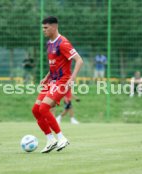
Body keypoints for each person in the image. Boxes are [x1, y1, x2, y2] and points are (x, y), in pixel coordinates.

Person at [31, 16, 83, 153]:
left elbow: (79, 60)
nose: (43, 30)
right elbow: (54, 65)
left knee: (43, 108)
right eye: (42, 28)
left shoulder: (63, 43)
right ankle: (50, 140)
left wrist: (72, 78)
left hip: (62, 81)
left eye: (46, 28)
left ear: (54, 27)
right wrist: (46, 77)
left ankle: (61, 138)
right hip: (52, 81)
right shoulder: (49, 43)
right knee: (36, 110)